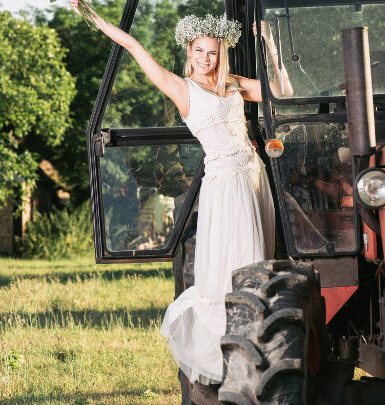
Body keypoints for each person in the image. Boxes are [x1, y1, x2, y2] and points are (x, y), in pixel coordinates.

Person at [70, 1, 292, 385]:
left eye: (213, 52)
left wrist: (270, 45)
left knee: (260, 268)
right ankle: (230, 359)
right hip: (226, 186)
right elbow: (132, 45)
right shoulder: (179, 87)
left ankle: (261, 352)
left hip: (255, 180)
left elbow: (283, 93)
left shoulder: (232, 83)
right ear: (189, 51)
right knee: (233, 271)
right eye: (199, 51)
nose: (206, 58)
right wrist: (89, 12)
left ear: (221, 54)